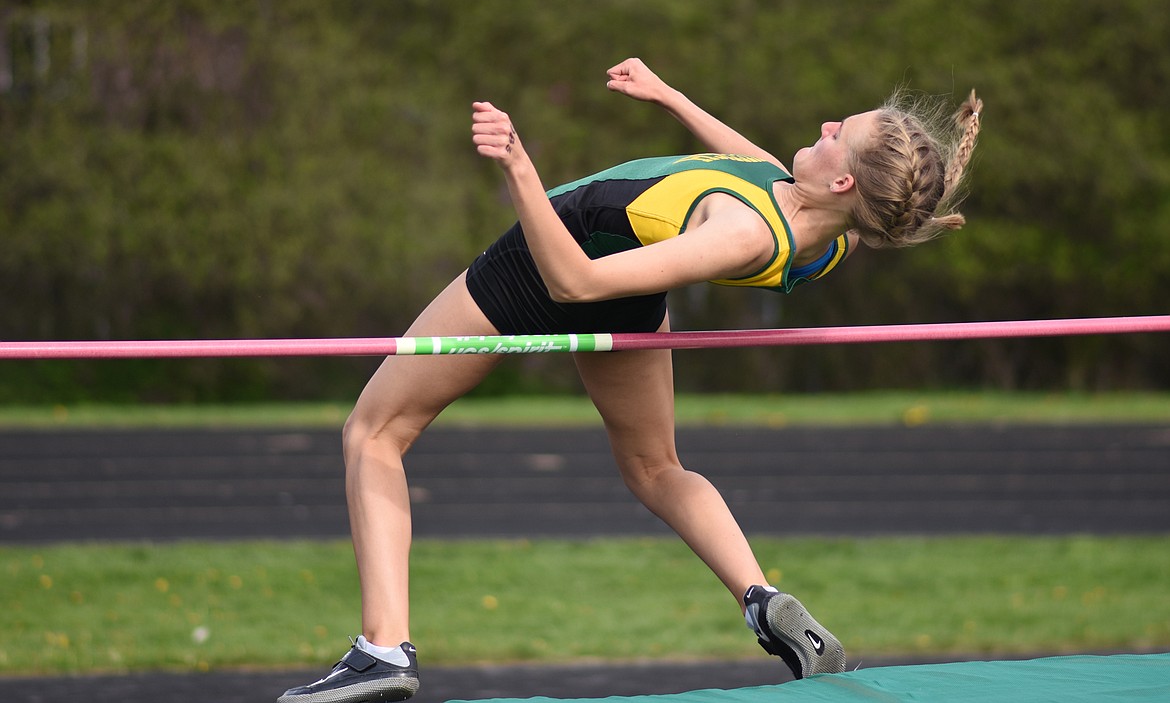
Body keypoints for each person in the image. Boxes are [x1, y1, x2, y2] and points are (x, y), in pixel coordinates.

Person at [277, 58, 983, 703]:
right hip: (630, 287)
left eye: (840, 133)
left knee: (375, 430)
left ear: (843, 181)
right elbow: (751, 163)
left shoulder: (740, 232)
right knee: (654, 466)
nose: (828, 124)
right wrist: (672, 96)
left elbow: (574, 281)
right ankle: (762, 597)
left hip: (555, 260)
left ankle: (382, 648)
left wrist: (520, 166)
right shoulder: (828, 234)